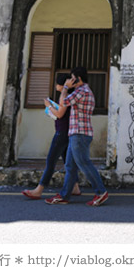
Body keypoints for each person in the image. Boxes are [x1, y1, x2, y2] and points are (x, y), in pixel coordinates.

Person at [45, 67, 109, 206]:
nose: (70, 81)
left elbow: (63, 102)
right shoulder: (85, 91)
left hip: (79, 134)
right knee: (70, 166)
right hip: (77, 133)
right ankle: (64, 195)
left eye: (72, 78)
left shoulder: (81, 92)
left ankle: (101, 192)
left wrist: (65, 88)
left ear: (78, 79)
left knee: (84, 163)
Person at [22, 73, 80, 200]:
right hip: (66, 132)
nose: (56, 86)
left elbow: (60, 114)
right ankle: (75, 186)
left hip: (61, 134)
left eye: (57, 83)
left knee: (51, 161)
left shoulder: (64, 95)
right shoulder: (70, 95)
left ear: (61, 85)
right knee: (68, 162)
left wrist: (48, 106)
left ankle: (39, 189)